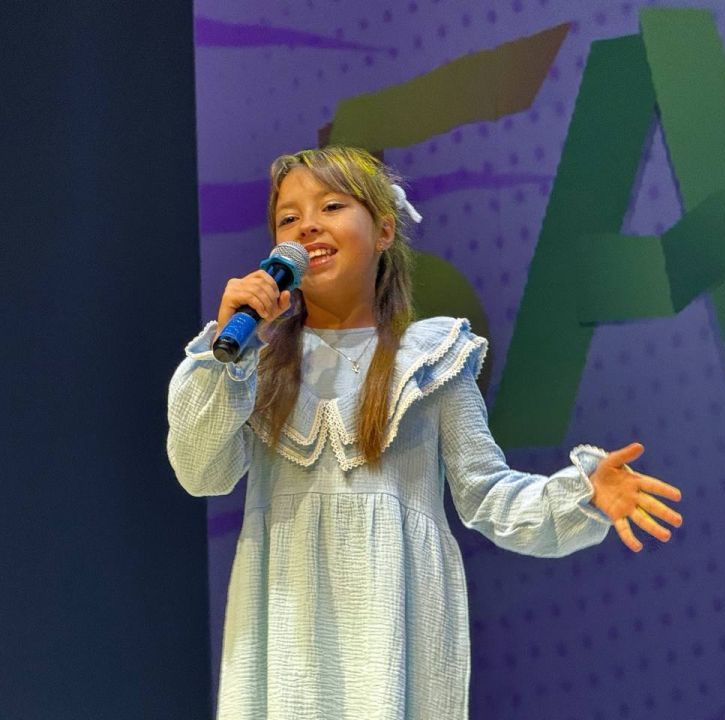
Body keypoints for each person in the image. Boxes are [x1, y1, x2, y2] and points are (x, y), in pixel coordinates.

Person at [166, 146, 683, 720]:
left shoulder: (429, 361)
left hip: (391, 638)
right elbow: (200, 471)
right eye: (288, 218)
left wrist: (583, 493)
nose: (307, 225)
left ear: (384, 230)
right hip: (285, 641)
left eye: (331, 206)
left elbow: (488, 494)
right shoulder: (256, 366)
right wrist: (225, 358)